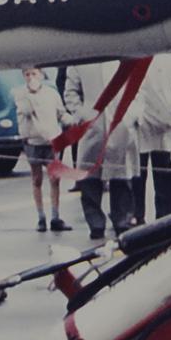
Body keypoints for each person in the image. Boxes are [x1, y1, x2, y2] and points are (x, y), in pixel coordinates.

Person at [62, 60, 147, 240]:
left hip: (121, 124)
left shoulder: (125, 59)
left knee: (121, 178)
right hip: (93, 127)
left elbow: (138, 89)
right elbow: (70, 92)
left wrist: (132, 114)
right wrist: (81, 114)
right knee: (89, 179)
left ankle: (122, 222)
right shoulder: (81, 61)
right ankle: (96, 224)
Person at [131, 52, 171, 222]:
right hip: (141, 121)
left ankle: (165, 220)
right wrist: (137, 111)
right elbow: (132, 83)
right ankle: (137, 218)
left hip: (169, 122)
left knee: (165, 180)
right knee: (138, 175)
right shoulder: (137, 49)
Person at [11, 66, 70, 232]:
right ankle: (41, 217)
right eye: (27, 74)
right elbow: (26, 110)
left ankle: (55, 216)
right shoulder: (20, 94)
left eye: (34, 73)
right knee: (36, 179)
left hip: (51, 141)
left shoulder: (52, 93)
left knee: (54, 179)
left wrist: (72, 121)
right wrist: (30, 93)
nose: (31, 77)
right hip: (32, 141)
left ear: (42, 74)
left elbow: (61, 114)